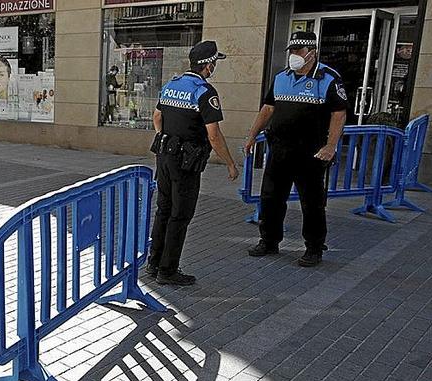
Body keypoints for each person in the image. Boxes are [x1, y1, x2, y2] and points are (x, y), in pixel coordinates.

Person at [244, 31, 347, 267]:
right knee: (271, 198)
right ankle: (269, 241)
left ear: (312, 52)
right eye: (291, 51)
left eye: (298, 51)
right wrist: (251, 136)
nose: (294, 55)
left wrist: (331, 146)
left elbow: (339, 114)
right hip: (279, 150)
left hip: (311, 153)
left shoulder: (328, 78)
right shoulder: (281, 78)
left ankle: (313, 247)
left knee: (312, 203)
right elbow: (267, 109)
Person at [145, 41, 239, 286]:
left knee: (164, 210)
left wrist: (166, 137)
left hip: (164, 156)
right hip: (185, 163)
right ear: (208, 65)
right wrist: (230, 162)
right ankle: (168, 270)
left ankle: (153, 263)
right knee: (180, 215)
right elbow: (214, 135)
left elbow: (157, 116)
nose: (214, 66)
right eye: (214, 62)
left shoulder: (171, 85)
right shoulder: (204, 92)